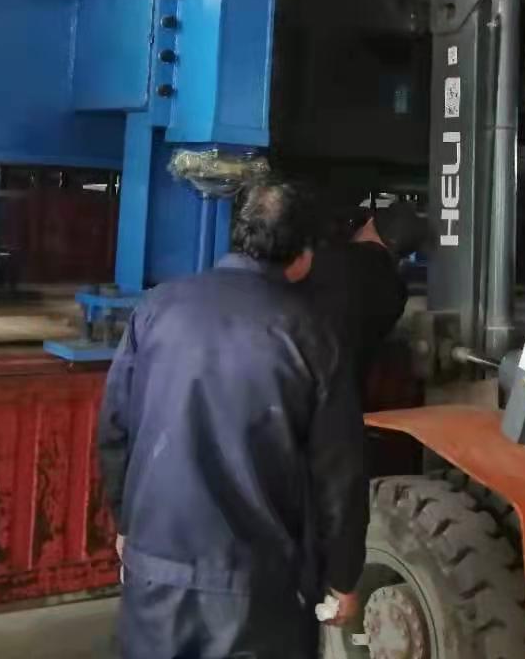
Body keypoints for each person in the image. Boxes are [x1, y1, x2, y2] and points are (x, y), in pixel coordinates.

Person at [97, 181, 368, 659]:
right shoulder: (313, 335)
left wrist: (126, 522)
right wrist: (343, 576)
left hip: (154, 570)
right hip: (259, 591)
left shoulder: (157, 308)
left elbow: (116, 428)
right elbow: (339, 475)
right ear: (304, 254)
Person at [307, 201, 425, 387]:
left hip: (300, 380)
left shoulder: (324, 258)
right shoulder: (397, 291)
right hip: (348, 389)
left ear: (370, 223)